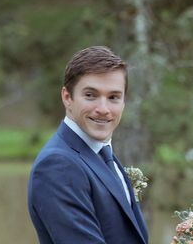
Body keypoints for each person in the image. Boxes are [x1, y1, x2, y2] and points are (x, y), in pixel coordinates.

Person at [27, 46, 149, 244]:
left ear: (124, 102)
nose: (103, 109)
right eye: (91, 95)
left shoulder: (102, 153)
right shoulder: (58, 165)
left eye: (113, 97)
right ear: (67, 97)